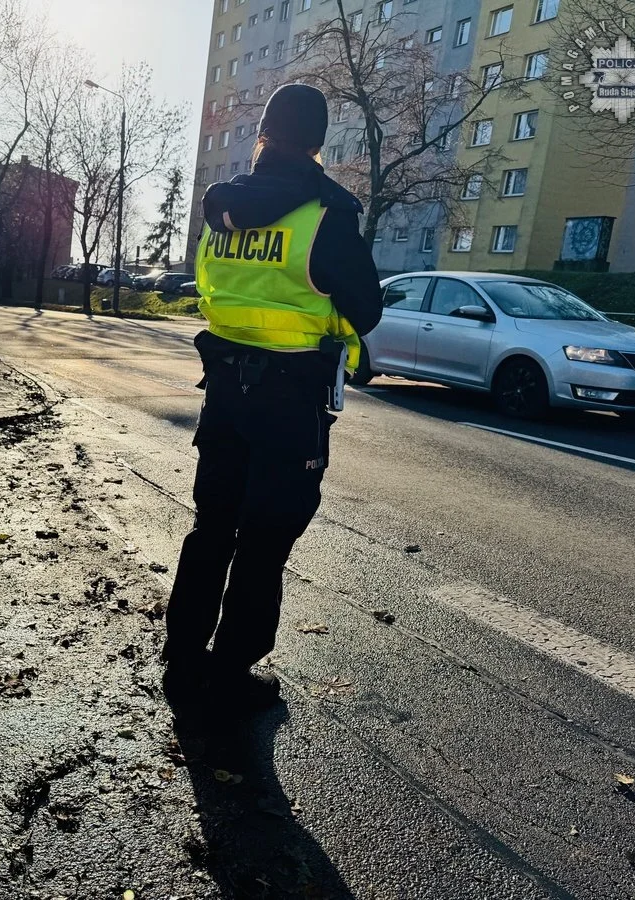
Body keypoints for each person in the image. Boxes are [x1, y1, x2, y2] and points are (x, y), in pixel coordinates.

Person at [162, 84, 383, 720]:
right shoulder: (325, 216)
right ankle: (231, 673)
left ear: (262, 135)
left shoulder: (223, 211)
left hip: (226, 390)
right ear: (317, 143)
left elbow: (209, 289)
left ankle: (183, 657)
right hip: (291, 401)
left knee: (212, 526)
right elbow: (365, 308)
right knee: (264, 541)